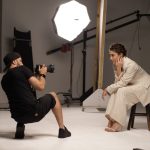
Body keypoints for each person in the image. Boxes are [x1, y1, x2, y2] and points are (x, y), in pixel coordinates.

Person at [1, 52, 71, 139]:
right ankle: (62, 130)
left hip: (17, 116)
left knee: (20, 101)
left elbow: (25, 92)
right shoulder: (22, 69)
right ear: (14, 62)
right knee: (53, 95)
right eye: (20, 60)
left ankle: (20, 127)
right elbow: (41, 86)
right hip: (33, 113)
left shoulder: (4, 80)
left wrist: (36, 75)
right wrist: (43, 74)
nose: (22, 63)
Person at [102, 43, 150, 132]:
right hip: (134, 85)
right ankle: (111, 119)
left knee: (121, 91)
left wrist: (107, 89)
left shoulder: (131, 65)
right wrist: (119, 68)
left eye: (113, 55)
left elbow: (122, 83)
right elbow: (117, 83)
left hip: (145, 87)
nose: (110, 58)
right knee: (117, 90)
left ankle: (118, 123)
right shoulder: (117, 64)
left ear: (120, 55)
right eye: (110, 55)